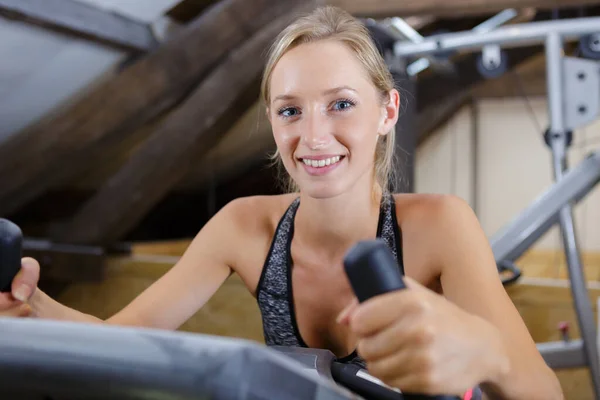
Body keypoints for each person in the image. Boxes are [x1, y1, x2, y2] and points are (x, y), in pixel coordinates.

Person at [0, 6, 562, 400]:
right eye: (290, 110)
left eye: (340, 104)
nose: (313, 137)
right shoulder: (242, 227)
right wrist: (34, 307)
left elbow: (544, 393)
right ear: (271, 120)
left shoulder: (441, 225)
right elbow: (122, 339)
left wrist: (487, 351)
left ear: (387, 111)